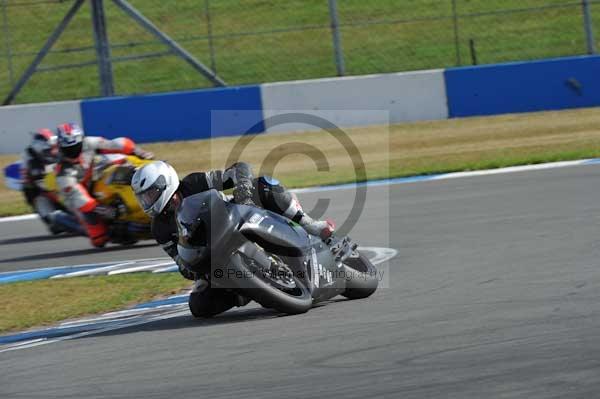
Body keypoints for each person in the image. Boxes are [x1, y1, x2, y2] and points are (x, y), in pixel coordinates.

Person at [131, 160, 335, 316]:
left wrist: (244, 191)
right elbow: (179, 261)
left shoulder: (193, 183)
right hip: (213, 259)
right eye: (143, 197)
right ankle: (244, 291)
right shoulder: (159, 228)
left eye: (149, 194)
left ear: (163, 185)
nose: (146, 201)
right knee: (199, 306)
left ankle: (309, 224)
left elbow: (238, 170)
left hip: (238, 219)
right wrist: (194, 269)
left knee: (264, 185)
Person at [55, 122, 154, 247]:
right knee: (99, 239)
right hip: (87, 197)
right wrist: (102, 209)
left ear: (81, 141)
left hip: (101, 173)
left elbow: (116, 144)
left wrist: (138, 151)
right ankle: (63, 219)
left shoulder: (89, 143)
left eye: (75, 147)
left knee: (134, 163)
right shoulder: (63, 171)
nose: (72, 152)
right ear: (60, 147)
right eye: (67, 149)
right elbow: (78, 196)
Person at [20, 128, 66, 234]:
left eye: (53, 148)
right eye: (48, 150)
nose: (52, 151)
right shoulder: (29, 157)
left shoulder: (58, 149)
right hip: (38, 186)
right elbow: (35, 176)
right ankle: (50, 218)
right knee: (36, 196)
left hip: (57, 179)